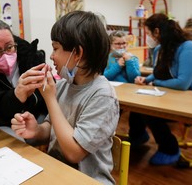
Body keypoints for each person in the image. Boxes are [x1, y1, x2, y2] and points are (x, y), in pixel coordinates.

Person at [11, 11, 120, 185]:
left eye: (55, 48)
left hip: (88, 179)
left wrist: (50, 99)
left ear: (77, 53)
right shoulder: (63, 85)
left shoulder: (103, 96)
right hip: (57, 173)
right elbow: (52, 128)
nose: (52, 56)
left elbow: (74, 152)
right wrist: (36, 130)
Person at [131, 13, 192, 165]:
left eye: (148, 33)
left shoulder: (188, 48)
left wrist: (156, 83)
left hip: (187, 97)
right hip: (167, 93)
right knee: (137, 104)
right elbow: (158, 72)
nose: (148, 37)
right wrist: (146, 79)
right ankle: (138, 136)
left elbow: (182, 83)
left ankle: (169, 149)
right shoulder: (160, 48)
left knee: (151, 112)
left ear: (157, 32)